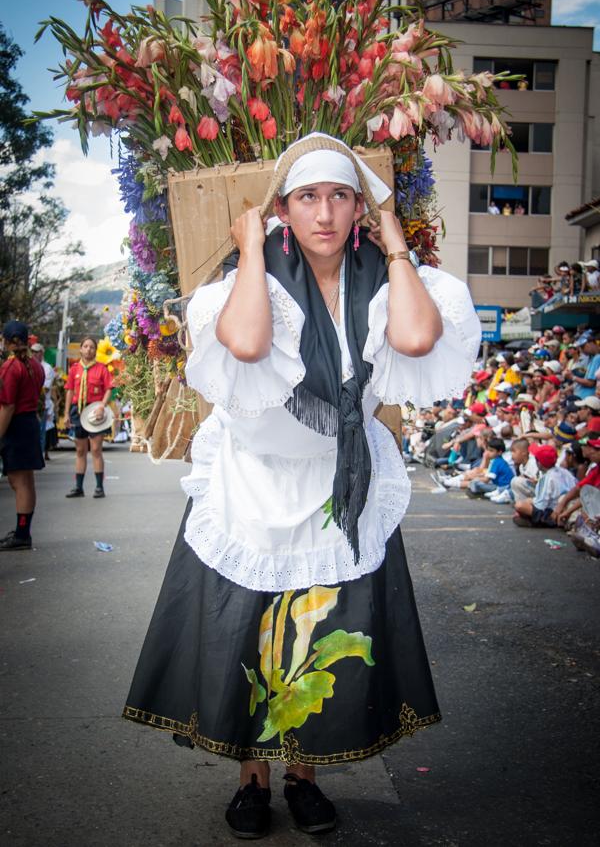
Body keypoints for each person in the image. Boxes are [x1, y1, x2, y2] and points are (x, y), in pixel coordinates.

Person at [122, 133, 481, 839]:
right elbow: (249, 344)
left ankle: (302, 775)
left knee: (317, 634)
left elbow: (413, 340)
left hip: (336, 484)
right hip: (249, 483)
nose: (325, 213)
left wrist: (398, 245)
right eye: (308, 197)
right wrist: (251, 246)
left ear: (358, 208)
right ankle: (251, 780)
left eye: (340, 196)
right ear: (283, 208)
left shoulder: (384, 277)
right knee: (249, 635)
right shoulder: (245, 281)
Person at [0, 321, 45, 550]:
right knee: (27, 480)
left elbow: (7, 406)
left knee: (18, 482)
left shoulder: (11, 367)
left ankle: (21, 535)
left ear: (6, 341)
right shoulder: (35, 366)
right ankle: (23, 530)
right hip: (30, 423)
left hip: (16, 424)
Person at [61, 337, 113, 498]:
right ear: (81, 349)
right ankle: (78, 487)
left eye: (92, 347)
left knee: (96, 450)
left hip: (95, 413)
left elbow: (109, 389)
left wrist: (102, 406)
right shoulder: (74, 369)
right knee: (80, 450)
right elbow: (70, 390)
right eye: (85, 346)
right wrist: (66, 413)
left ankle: (99, 487)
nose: (88, 349)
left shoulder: (102, 369)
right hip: (78, 411)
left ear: (95, 350)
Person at [513, 444, 576, 527]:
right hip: (564, 505)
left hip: (553, 510)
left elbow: (541, 505)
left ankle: (545, 521)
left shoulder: (547, 478)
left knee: (519, 506)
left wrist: (527, 506)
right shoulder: (564, 472)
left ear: (539, 463)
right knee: (527, 501)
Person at [31, 342, 56, 460]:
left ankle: (39, 456)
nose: (35, 354)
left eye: (37, 352)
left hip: (42, 404)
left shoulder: (47, 368)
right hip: (29, 403)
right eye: (33, 352)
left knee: (41, 432)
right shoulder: (29, 365)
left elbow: (45, 388)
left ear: (42, 353)